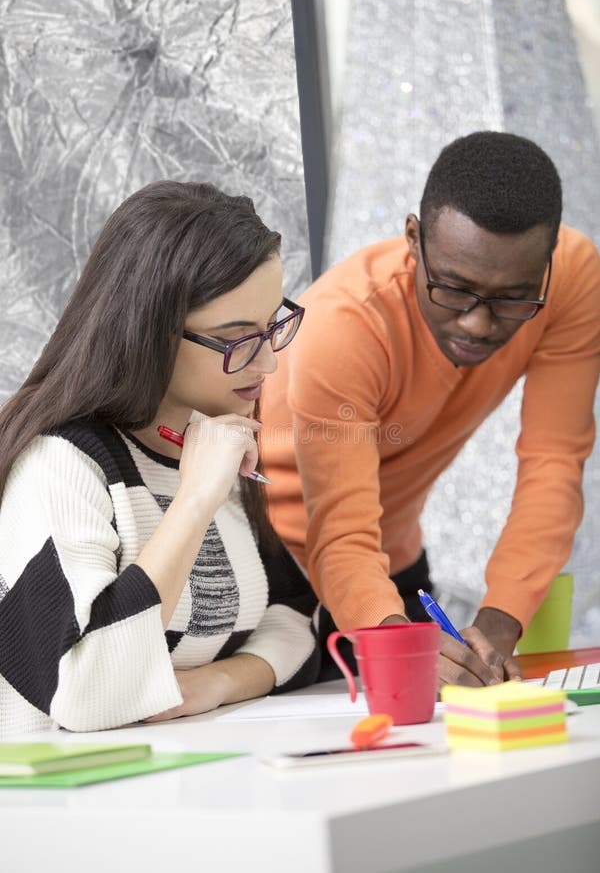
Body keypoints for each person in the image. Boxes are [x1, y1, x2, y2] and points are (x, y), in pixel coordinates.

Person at [260, 131, 600, 687]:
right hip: (275, 572)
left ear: (548, 262)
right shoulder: (342, 326)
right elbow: (339, 533)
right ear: (413, 240)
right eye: (454, 288)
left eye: (513, 296)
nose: (477, 323)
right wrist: (397, 642)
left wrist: (498, 623)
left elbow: (554, 461)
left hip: (392, 566)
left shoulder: (575, 278)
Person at [0, 181, 319, 735]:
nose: (268, 363)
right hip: (57, 803)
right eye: (237, 338)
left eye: (273, 325)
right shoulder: (61, 462)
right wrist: (193, 505)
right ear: (149, 333)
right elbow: (85, 692)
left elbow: (295, 620)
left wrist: (220, 683)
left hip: (176, 779)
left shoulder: (208, 439)